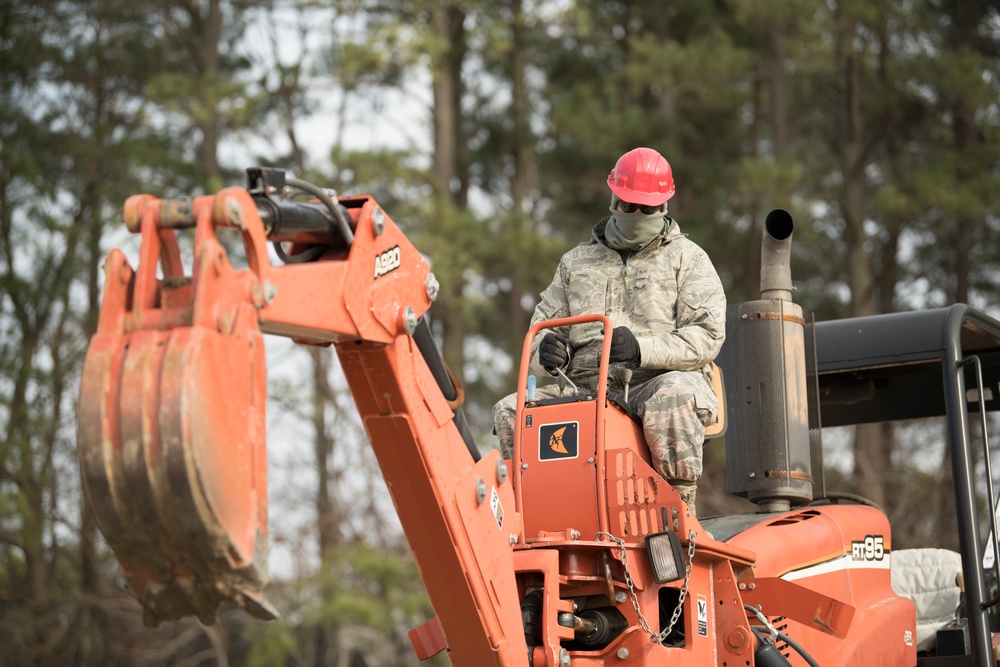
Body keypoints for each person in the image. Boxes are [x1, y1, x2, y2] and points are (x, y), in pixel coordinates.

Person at [492, 147, 726, 514]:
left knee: (674, 394)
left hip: (656, 382)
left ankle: (680, 514)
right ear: (613, 199)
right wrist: (548, 352)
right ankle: (534, 513)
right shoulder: (575, 263)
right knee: (511, 410)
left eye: (647, 209)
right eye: (628, 205)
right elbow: (539, 331)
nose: (636, 215)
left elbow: (707, 335)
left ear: (664, 206)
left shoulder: (688, 259)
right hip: (584, 388)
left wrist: (642, 349)